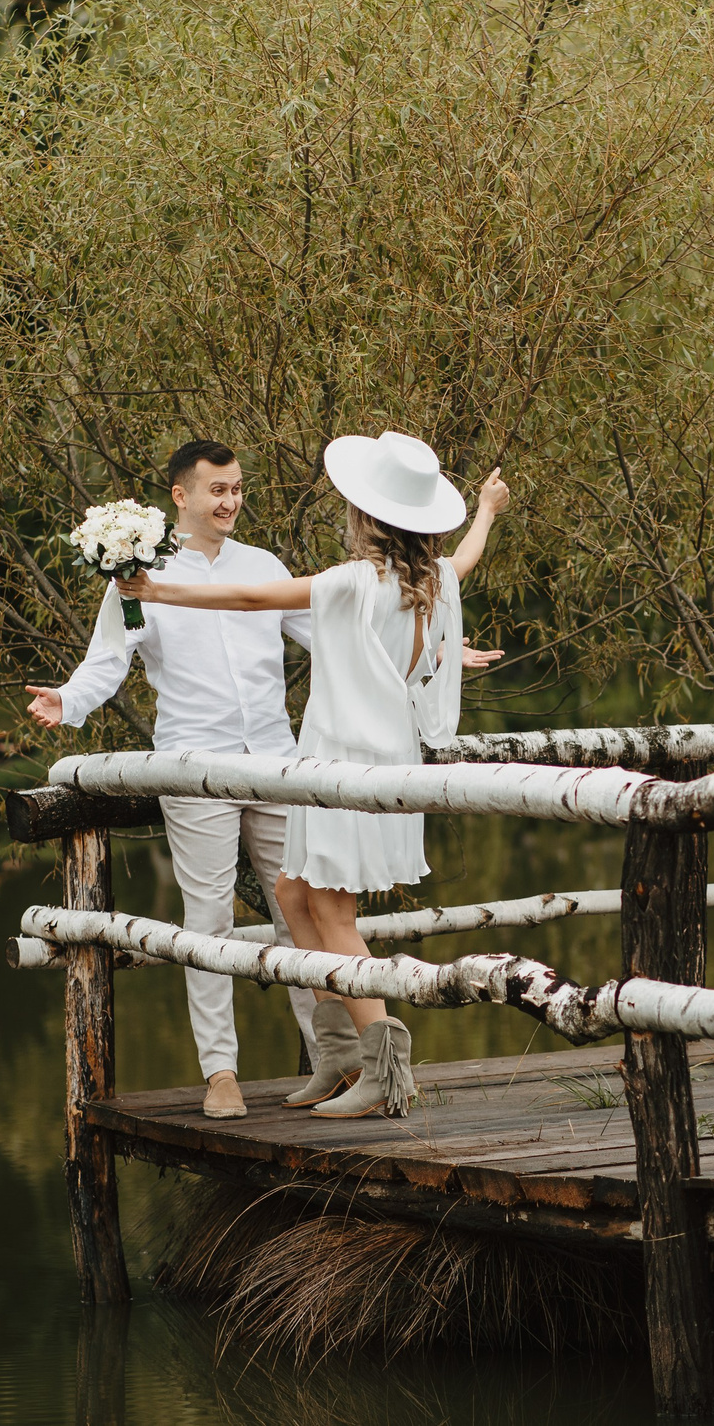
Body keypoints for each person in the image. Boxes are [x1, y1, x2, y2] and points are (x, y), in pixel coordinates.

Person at [122, 431, 511, 1118]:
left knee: (331, 910)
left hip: (342, 762)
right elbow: (468, 557)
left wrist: (161, 589)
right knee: (292, 893)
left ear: (369, 518)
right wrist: (486, 509)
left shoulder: (350, 582)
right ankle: (335, 1055)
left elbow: (248, 599)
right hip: (367, 761)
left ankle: (383, 1067)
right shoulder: (431, 579)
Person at [22, 439, 323, 1122]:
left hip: (276, 762)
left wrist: (439, 658)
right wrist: (68, 701)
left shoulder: (263, 566)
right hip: (194, 768)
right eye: (218, 489)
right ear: (180, 496)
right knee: (210, 922)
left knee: (298, 912)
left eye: (239, 487)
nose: (232, 500)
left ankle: (330, 1058)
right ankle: (221, 1072)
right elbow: (107, 660)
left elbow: (336, 634)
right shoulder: (137, 577)